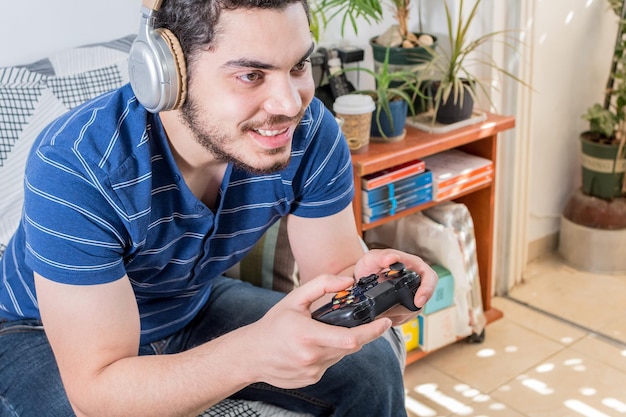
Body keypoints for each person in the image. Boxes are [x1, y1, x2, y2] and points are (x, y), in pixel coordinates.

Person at [0, 0, 438, 416]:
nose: (289, 104)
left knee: (372, 368)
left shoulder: (309, 132)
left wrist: (374, 292)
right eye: (251, 75)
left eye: (299, 66)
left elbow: (337, 275)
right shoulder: (77, 164)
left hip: (188, 302)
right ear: (167, 75)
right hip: (35, 330)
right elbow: (97, 395)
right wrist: (254, 354)